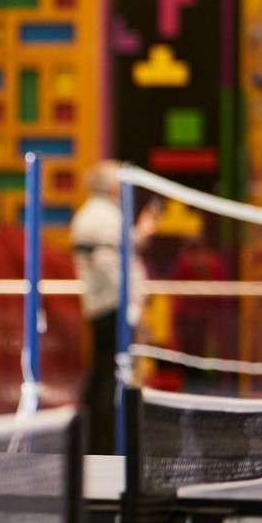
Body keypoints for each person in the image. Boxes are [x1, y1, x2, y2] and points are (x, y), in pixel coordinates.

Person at [70, 160, 157, 455]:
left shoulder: (99, 214)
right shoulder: (103, 216)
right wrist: (130, 304)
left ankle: (97, 441)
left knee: (103, 373)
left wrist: (141, 233)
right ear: (111, 185)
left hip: (107, 305)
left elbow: (118, 251)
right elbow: (108, 263)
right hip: (112, 308)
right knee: (108, 376)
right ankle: (103, 443)